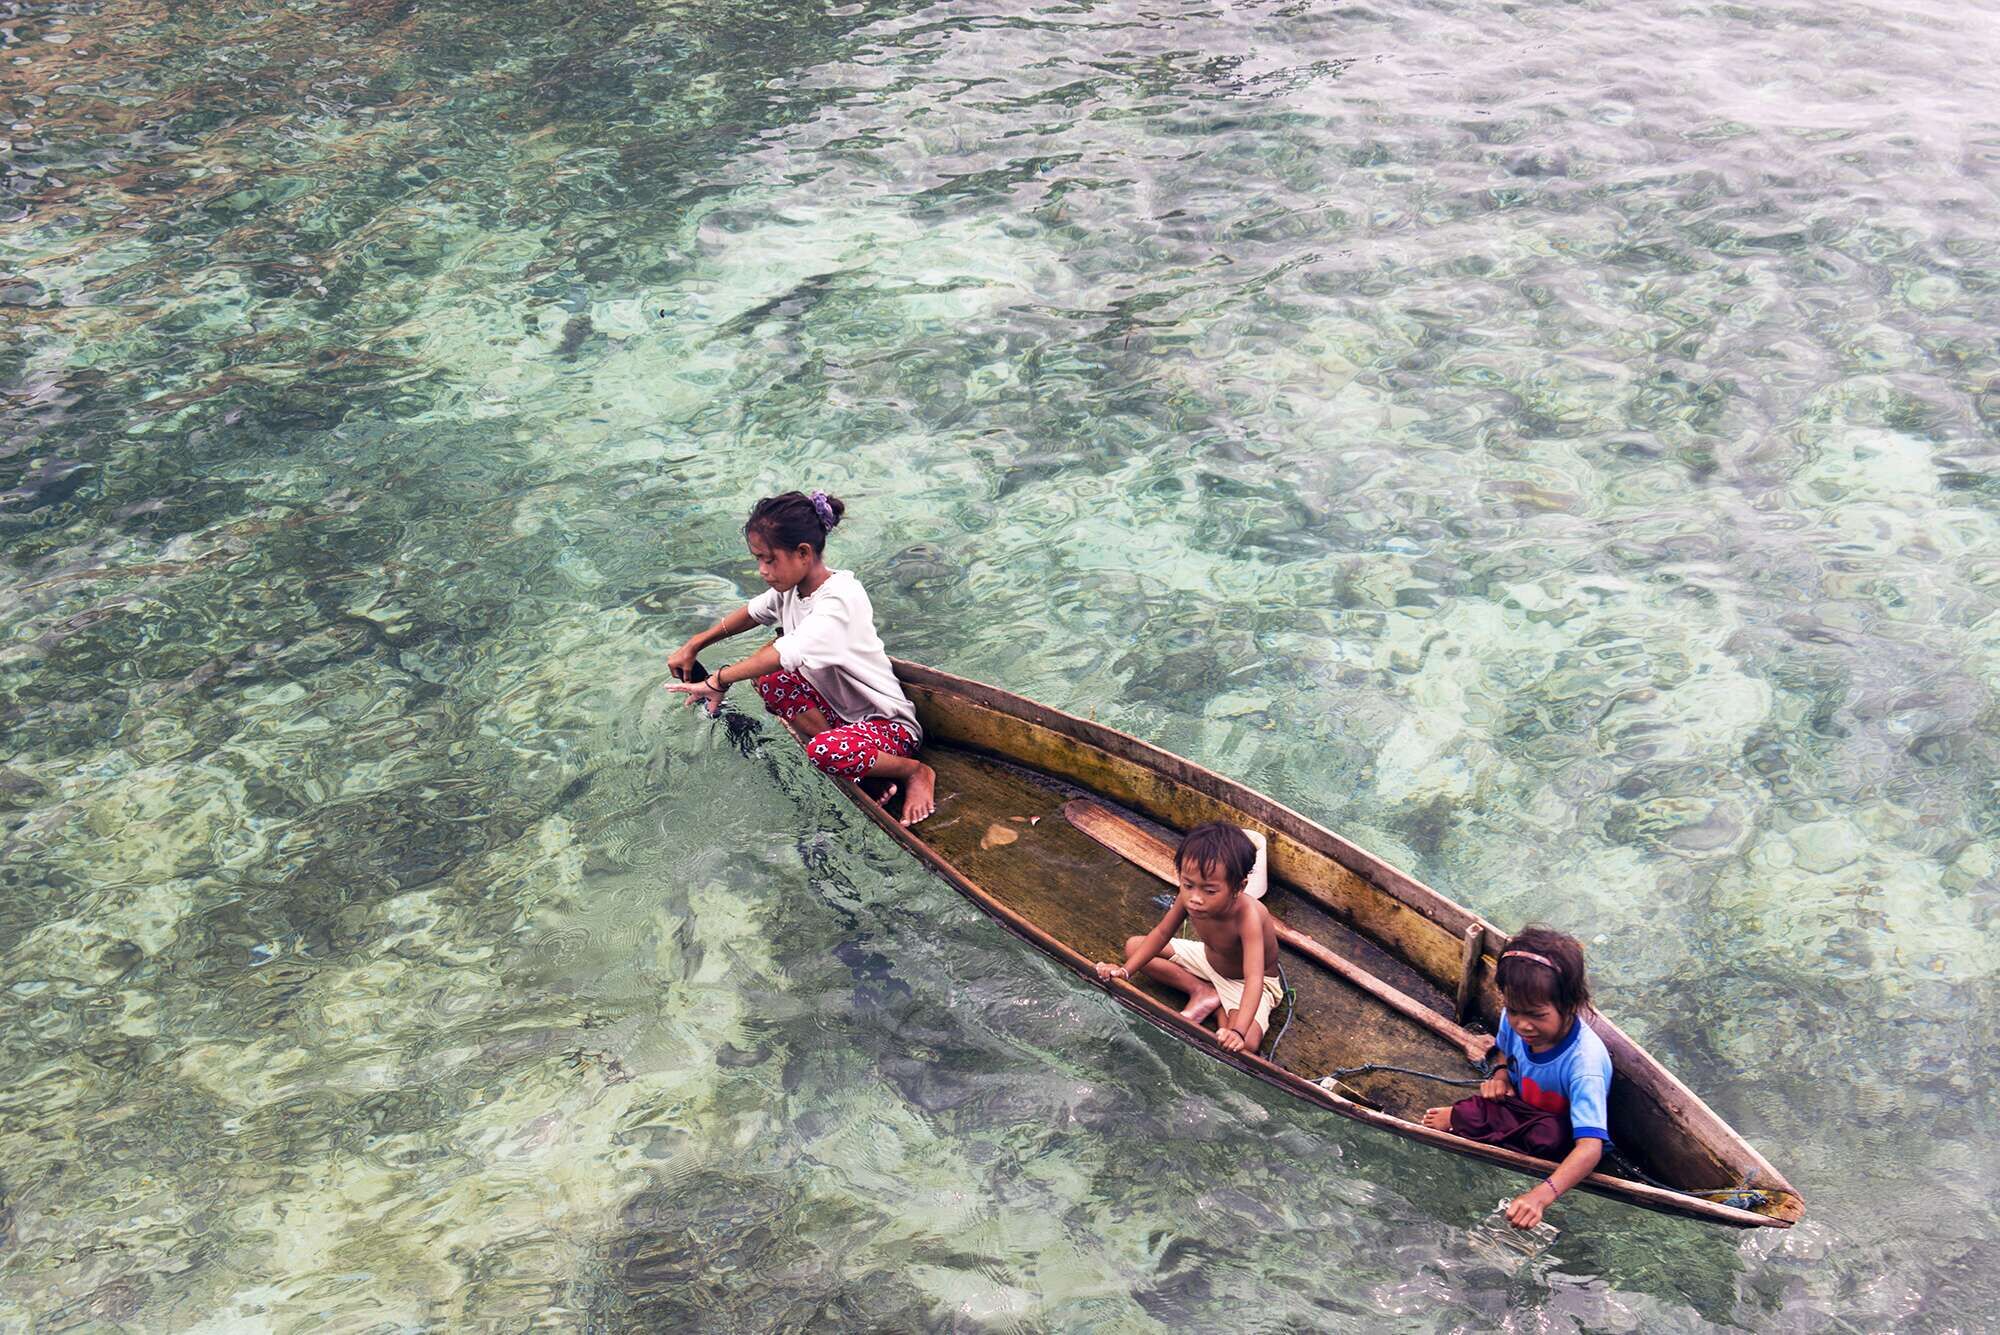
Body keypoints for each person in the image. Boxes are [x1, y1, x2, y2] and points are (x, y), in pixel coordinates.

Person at [666, 490, 937, 825]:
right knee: (768, 681)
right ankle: (859, 763)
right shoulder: (792, 589)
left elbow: (783, 653)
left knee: (822, 751)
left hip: (891, 728)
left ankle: (913, 772)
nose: (762, 570)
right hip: (842, 718)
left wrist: (717, 680)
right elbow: (752, 613)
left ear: (803, 553)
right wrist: (695, 644)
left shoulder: (839, 599)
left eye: (768, 559)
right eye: (757, 560)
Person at [1420, 925, 1613, 1230]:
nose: (1523, 1025)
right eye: (1514, 1011)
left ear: (1570, 1005)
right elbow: (1503, 1053)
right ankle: (1476, 1123)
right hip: (1516, 1106)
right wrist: (1499, 1074)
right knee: (1486, 1106)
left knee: (1548, 1135)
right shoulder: (1513, 1020)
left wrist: (1541, 1195)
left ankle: (1472, 1124)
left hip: (1555, 1127)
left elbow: (1591, 1148)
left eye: (1537, 1015)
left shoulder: (1584, 1062)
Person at [1094, 822, 1282, 1054]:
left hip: (1247, 981)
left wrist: (1238, 1032)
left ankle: (1223, 1009)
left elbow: (1254, 977)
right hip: (1208, 959)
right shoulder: (1190, 896)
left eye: (1210, 891)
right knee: (1135, 947)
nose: (1195, 898)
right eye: (1188, 884)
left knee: (1247, 1044)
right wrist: (1125, 971)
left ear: (1239, 887)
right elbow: (1162, 933)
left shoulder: (1249, 916)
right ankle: (1202, 991)